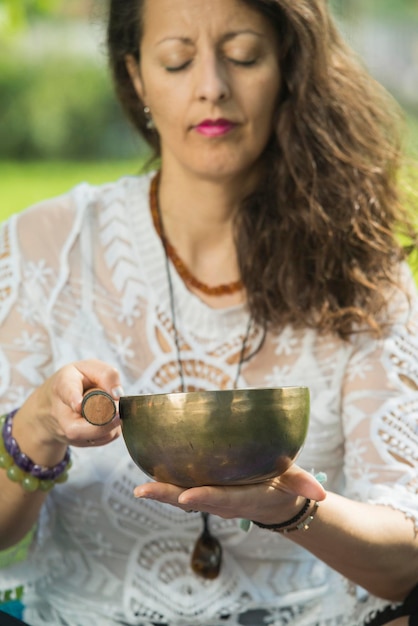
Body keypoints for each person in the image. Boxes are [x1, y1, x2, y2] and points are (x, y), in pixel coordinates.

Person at [0, 0, 417, 624]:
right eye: (177, 60)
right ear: (136, 75)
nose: (212, 87)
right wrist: (36, 429)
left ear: (287, 66)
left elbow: (405, 558)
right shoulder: (43, 249)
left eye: (243, 55)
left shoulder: (359, 264)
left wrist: (294, 509)